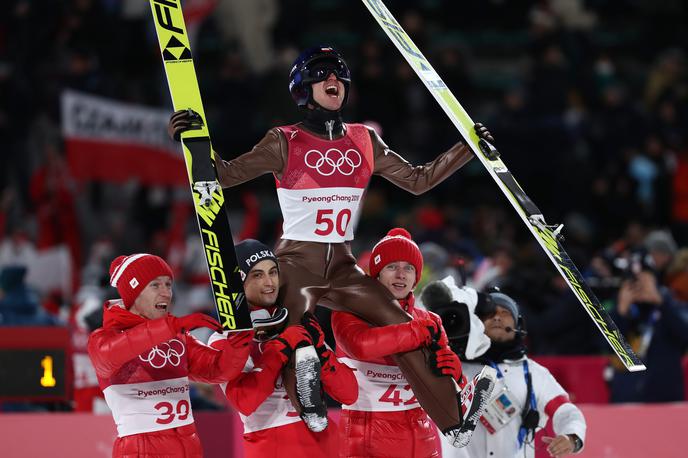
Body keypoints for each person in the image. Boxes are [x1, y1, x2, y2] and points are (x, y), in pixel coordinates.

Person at [168, 44, 496, 441]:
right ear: (304, 89)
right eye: (322, 74)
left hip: (343, 266)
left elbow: (418, 180)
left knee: (407, 328)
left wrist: (469, 148)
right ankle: (312, 413)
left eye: (339, 75)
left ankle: (455, 422)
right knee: (290, 335)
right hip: (296, 262)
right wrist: (194, 139)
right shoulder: (283, 140)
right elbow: (224, 175)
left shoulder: (364, 140)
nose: (333, 80)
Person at [332, 228, 496, 456]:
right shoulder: (349, 313)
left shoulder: (429, 319)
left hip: (420, 432)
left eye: (409, 268)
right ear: (376, 274)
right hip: (367, 433)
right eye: (392, 267)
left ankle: (460, 416)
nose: (401, 274)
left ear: (416, 278)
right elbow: (361, 346)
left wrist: (456, 373)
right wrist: (416, 332)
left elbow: (442, 379)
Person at [87, 253, 253, 458]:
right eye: (155, 285)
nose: (166, 293)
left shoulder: (176, 335)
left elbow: (216, 370)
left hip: (189, 445)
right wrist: (171, 326)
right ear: (133, 293)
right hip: (141, 450)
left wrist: (239, 343)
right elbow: (109, 355)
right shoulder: (105, 338)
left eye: (168, 284)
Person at [208, 239, 358, 457]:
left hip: (326, 442)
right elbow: (244, 401)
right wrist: (281, 347)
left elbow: (350, 394)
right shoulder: (224, 339)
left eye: (273, 272)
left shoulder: (298, 323)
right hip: (272, 445)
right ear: (239, 283)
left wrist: (321, 351)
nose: (269, 282)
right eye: (257, 275)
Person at [434, 290, 586, 458]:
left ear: (518, 325)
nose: (497, 317)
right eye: (489, 314)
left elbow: (565, 411)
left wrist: (572, 436)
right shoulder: (451, 367)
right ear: (476, 323)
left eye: (505, 312)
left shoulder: (535, 374)